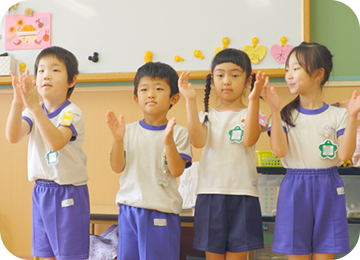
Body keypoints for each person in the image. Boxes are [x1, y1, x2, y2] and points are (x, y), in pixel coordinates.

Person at [265, 42, 360, 260]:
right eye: (287, 69)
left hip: (329, 185)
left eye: (295, 69)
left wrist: (353, 116)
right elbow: (279, 151)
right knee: (296, 253)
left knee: (325, 253)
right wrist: (274, 110)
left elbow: (345, 156)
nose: (289, 75)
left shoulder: (339, 115)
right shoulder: (284, 115)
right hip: (294, 186)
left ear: (318, 74)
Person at [178, 48, 267, 260]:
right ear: (212, 79)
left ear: (248, 81)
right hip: (210, 194)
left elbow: (249, 140)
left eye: (235, 75)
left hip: (243, 194)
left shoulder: (256, 113)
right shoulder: (206, 115)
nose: (226, 81)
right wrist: (190, 100)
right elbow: (198, 142)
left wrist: (254, 100)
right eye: (220, 75)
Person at [5, 46, 90, 260]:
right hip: (41, 191)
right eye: (41, 70)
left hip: (67, 192)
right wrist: (18, 102)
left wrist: (34, 108)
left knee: (69, 255)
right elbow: (13, 136)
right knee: (45, 254)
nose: (46, 76)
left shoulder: (72, 112)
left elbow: (56, 142)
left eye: (55, 70)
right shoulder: (33, 110)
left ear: (72, 80)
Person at [106, 62, 192, 260]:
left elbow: (177, 170)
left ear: (174, 98)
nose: (151, 94)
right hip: (130, 210)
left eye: (159, 89)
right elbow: (117, 166)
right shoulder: (127, 131)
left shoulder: (178, 133)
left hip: (161, 212)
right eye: (144, 89)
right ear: (136, 98)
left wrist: (168, 143)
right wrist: (118, 139)